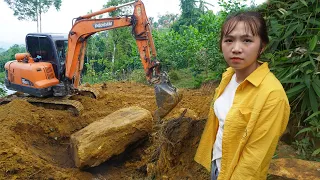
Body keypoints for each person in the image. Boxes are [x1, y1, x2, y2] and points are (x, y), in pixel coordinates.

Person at [194, 11, 290, 180]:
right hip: (218, 166)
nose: (236, 49)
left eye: (247, 40)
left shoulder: (272, 95)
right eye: (229, 40)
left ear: (262, 46)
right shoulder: (228, 76)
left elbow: (254, 159)